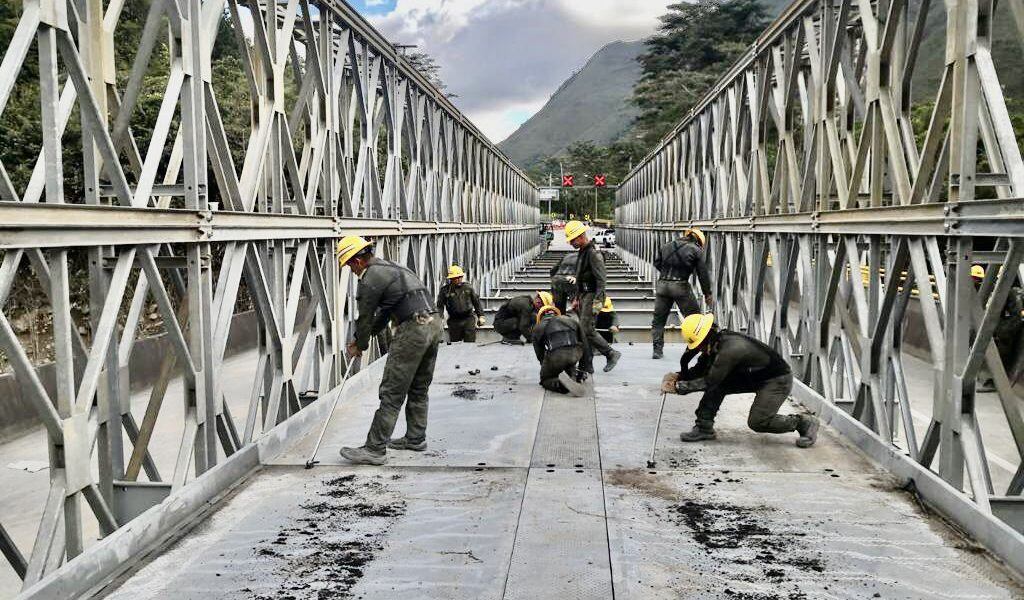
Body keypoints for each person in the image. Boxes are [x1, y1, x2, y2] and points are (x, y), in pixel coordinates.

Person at [335, 235, 444, 465]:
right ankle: (415, 438)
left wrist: (359, 344)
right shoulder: (392, 267)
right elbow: (384, 314)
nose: (351, 271)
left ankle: (374, 449)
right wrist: (367, 338)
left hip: (413, 329)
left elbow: (364, 318)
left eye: (348, 266)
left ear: (357, 261)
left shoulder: (370, 278)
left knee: (392, 391)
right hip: (433, 324)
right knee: (418, 387)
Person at [662, 313, 819, 448]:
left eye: (698, 345)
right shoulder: (715, 343)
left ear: (705, 337)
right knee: (719, 385)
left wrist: (678, 387)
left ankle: (803, 422)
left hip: (776, 380)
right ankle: (704, 428)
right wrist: (679, 376)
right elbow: (702, 370)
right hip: (754, 376)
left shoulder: (730, 349)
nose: (698, 349)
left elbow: (709, 380)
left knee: (758, 422)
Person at [565, 220, 621, 373]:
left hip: (592, 296)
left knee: (586, 329)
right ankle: (586, 365)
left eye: (572, 239)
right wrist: (577, 298)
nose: (570, 243)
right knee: (584, 332)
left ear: (581, 236)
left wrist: (597, 303)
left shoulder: (593, 254)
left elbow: (602, 281)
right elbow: (580, 277)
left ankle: (611, 354)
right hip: (584, 296)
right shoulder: (583, 252)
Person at [651, 228, 713, 360]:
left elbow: (657, 262)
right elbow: (703, 275)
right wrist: (707, 294)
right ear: (698, 241)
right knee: (695, 318)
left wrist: (666, 274)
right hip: (680, 286)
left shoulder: (667, 246)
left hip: (662, 285)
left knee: (658, 320)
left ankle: (657, 350)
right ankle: (697, 348)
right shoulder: (696, 250)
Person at [532, 304, 587, 396]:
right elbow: (584, 341)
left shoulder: (538, 327)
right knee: (568, 363)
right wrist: (584, 367)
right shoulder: (571, 320)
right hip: (576, 354)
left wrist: (546, 367)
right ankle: (575, 375)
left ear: (540, 316)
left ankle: (562, 385)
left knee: (545, 379)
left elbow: (539, 353)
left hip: (557, 357)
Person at [436, 264, 486, 343]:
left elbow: (476, 302)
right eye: (456, 278)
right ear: (451, 279)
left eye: (460, 277)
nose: (459, 279)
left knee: (470, 343)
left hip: (468, 319)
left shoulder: (468, 288)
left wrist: (481, 316)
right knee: (455, 344)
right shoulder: (445, 291)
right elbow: (440, 306)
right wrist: (440, 318)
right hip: (454, 321)